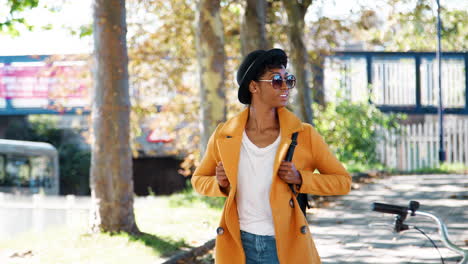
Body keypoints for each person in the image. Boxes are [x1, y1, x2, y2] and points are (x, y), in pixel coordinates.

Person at [191, 48, 351, 264]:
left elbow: (342, 182)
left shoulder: (304, 135)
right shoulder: (225, 135)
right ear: (254, 86)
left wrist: (301, 178)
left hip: (286, 245)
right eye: (276, 80)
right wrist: (219, 184)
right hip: (239, 245)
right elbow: (198, 180)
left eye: (288, 80)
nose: (285, 86)